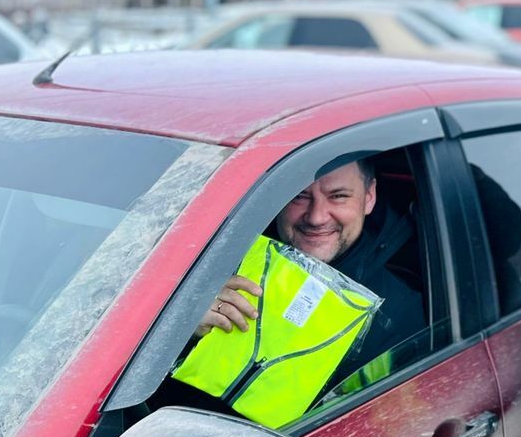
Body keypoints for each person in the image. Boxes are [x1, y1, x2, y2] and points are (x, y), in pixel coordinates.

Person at [167, 154, 426, 416]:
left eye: (338, 196)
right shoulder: (213, 259)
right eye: (299, 196)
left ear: (369, 197)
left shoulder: (400, 314)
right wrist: (183, 332)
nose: (316, 217)